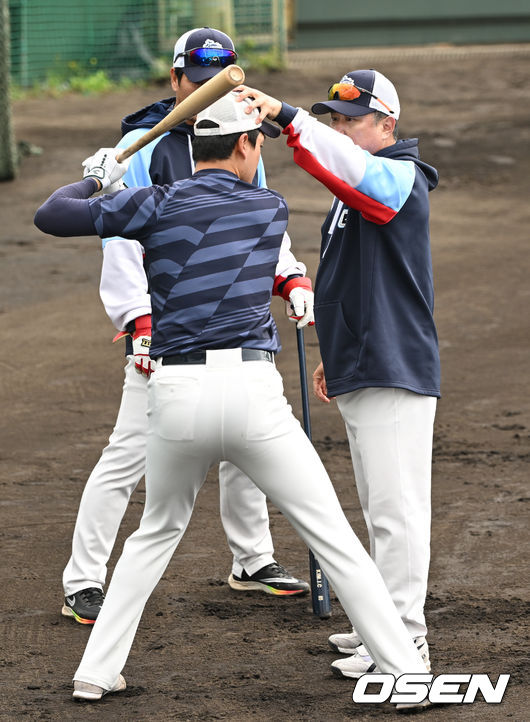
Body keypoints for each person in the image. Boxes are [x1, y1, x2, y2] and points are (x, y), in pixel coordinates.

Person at [34, 90, 429, 711]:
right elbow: (260, 249)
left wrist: (96, 180)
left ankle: (95, 672)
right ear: (245, 144)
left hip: (174, 395)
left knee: (152, 535)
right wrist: (293, 283)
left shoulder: (152, 204)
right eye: (256, 145)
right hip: (252, 397)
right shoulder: (268, 208)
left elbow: (51, 216)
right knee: (334, 538)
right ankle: (406, 670)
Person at [60, 27, 314, 626]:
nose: (204, 95)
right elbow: (121, 239)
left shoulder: (241, 137)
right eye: (194, 84)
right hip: (169, 327)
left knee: (244, 446)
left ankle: (252, 560)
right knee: (128, 452)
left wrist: (291, 275)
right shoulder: (140, 147)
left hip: (233, 319)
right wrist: (139, 321)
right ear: (175, 81)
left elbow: (254, 220)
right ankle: (83, 580)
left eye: (215, 84)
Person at [236, 69, 439, 680]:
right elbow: (352, 280)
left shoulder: (398, 178)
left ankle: (406, 643)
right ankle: (381, 626)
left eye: (353, 120)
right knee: (378, 507)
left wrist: (290, 118)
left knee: (396, 512)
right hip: (363, 361)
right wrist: (336, 350)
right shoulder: (355, 187)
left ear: (388, 125)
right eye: (335, 120)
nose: (341, 129)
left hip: (394, 366)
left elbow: (361, 179)